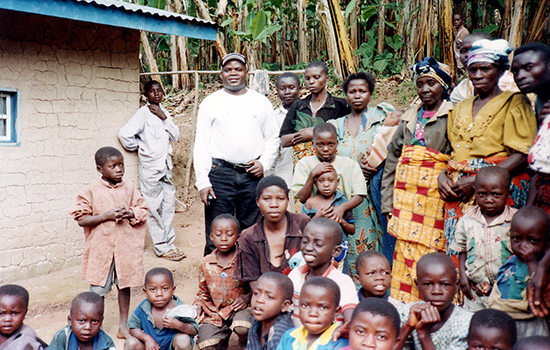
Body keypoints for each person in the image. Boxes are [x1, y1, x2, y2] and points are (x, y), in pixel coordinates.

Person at [439, 39, 537, 260]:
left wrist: (477, 182)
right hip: (459, 193)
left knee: (495, 254)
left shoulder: (514, 102)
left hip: (498, 190)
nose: (478, 74)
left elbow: (523, 154)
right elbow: (454, 154)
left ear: (501, 70)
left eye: (486, 68)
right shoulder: (461, 107)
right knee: (462, 255)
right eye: (473, 69)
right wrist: (442, 176)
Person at [381, 57, 454, 303]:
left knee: (435, 250)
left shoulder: (452, 115)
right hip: (405, 199)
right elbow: (393, 159)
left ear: (443, 86)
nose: (424, 89)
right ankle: (406, 308)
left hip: (435, 197)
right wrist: (387, 202)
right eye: (420, 84)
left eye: (431, 84)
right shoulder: (409, 117)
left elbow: (458, 156)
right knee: (405, 251)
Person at [193, 53, 279, 255]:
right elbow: (202, 144)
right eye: (228, 69)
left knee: (252, 229)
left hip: (252, 174)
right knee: (218, 228)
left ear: (246, 73)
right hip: (220, 174)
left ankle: (249, 281)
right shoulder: (211, 102)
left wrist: (264, 164)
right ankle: (213, 279)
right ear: (221, 74)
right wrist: (203, 182)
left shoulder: (260, 102)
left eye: (238, 69)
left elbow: (273, 137)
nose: (233, 73)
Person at [70, 146, 148, 338]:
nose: (119, 169)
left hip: (125, 249)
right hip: (101, 250)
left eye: (121, 165)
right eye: (113, 166)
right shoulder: (90, 191)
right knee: (98, 291)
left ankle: (123, 326)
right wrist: (106, 216)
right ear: (100, 169)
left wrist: (130, 213)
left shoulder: (129, 188)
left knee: (125, 285)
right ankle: (97, 329)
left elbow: (143, 210)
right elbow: (82, 219)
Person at [326, 72, 395, 268]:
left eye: (362, 91)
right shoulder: (336, 126)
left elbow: (395, 143)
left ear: (370, 93)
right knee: (349, 244)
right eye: (352, 91)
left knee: (378, 241)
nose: (357, 95)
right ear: (346, 95)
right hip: (347, 195)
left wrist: (377, 166)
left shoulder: (382, 117)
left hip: (375, 192)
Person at [118, 80, 184, 261]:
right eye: (152, 91)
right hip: (150, 167)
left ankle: (170, 242)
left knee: (168, 205)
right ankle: (161, 247)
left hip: (165, 166)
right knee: (153, 207)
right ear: (146, 94)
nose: (156, 94)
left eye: (159, 91)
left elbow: (175, 135)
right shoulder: (143, 113)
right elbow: (124, 134)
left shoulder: (164, 112)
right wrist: (141, 148)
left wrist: (164, 117)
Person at [292, 123, 366, 273]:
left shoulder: (349, 164)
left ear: (337, 143)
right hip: (314, 222)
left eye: (330, 144)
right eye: (320, 144)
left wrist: (341, 208)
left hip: (340, 224)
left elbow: (359, 194)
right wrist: (312, 175)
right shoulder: (305, 164)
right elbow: (301, 197)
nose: (325, 149)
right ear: (313, 144)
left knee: (336, 266)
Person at [513, 43, 550, 320]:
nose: (520, 75)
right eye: (515, 70)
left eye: (529, 67)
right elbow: (540, 170)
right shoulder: (538, 103)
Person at [448, 166, 516, 311]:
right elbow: (462, 249)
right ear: (475, 192)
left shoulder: (515, 221)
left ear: (508, 193)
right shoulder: (468, 219)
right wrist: (463, 275)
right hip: (475, 288)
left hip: (506, 288)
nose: (489, 200)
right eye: (482, 194)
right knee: (474, 322)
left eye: (496, 195)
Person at [489, 206, 550, 339]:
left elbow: (538, 292)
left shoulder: (543, 269)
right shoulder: (511, 260)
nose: (523, 246)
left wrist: (532, 263)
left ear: (547, 242)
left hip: (530, 323)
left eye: (533, 241)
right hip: (504, 320)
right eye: (517, 239)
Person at [234, 176, 310, 281]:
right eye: (267, 199)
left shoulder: (303, 224)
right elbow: (253, 282)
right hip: (265, 294)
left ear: (288, 200)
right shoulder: (248, 237)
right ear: (257, 202)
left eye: (280, 198)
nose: (274, 204)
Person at [194, 214, 251, 350]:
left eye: (229, 234)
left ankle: (245, 342)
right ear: (211, 237)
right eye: (219, 235)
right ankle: (221, 340)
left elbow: (256, 286)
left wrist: (246, 298)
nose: (224, 239)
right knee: (206, 345)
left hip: (240, 309)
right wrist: (198, 305)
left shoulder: (244, 259)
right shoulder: (206, 262)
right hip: (216, 313)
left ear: (238, 237)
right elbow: (202, 292)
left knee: (243, 327)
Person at [395, 253, 473, 350]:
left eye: (445, 284)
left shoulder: (465, 323)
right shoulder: (407, 313)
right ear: (417, 285)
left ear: (457, 285)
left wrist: (424, 334)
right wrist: (407, 327)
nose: (436, 291)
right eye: (428, 284)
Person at [288, 218, 359, 325]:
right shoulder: (295, 275)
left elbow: (351, 319)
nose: (308, 247)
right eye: (305, 241)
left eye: (318, 244)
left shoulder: (342, 281)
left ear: (336, 251)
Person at [280, 61, 350, 164]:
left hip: (331, 167)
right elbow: (284, 140)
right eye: (307, 78)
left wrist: (314, 133)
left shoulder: (340, 105)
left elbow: (348, 132)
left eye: (316, 77)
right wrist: (302, 135)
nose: (311, 82)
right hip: (302, 167)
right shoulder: (298, 106)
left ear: (327, 78)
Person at [125, 268, 198, 350]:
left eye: (165, 289)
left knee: (183, 340)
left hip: (172, 346)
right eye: (153, 289)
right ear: (145, 292)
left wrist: (179, 325)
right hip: (150, 347)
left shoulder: (179, 308)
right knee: (130, 343)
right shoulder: (144, 307)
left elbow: (194, 330)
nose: (159, 294)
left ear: (172, 290)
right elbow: (133, 328)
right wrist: (147, 338)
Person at [277, 277, 350, 350]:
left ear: (336, 312)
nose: (312, 313)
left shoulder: (342, 343)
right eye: (304, 305)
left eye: (323, 307)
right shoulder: (289, 337)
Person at [450, 32, 519, 104]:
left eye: (473, 49)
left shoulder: (514, 86)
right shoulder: (461, 91)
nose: (468, 55)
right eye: (464, 51)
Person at [50, 292, 115, 350]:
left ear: (101, 321)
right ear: (70, 320)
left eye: (94, 321)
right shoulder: (62, 337)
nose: (88, 327)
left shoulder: (106, 341)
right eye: (81, 321)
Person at [268, 73, 302, 186]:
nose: (287, 92)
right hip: (284, 176)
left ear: (300, 88)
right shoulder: (274, 116)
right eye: (282, 89)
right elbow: (272, 150)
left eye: (291, 88)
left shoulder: (307, 112)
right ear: (277, 90)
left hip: (306, 175)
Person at [247, 272, 295, 350]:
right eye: (256, 293)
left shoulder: (281, 334)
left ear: (285, 306)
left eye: (269, 297)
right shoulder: (256, 323)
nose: (259, 300)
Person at [302, 168, 356, 236]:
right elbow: (302, 228)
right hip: (316, 243)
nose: (326, 185)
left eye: (331, 180)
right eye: (321, 181)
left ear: (337, 182)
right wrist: (317, 217)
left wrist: (341, 221)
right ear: (315, 183)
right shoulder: (310, 203)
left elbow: (352, 230)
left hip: (338, 245)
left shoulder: (343, 202)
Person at [0, 285, 46, 350]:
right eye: (1, 314)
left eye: (14, 313)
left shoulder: (26, 343)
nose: (7, 319)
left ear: (25, 313)